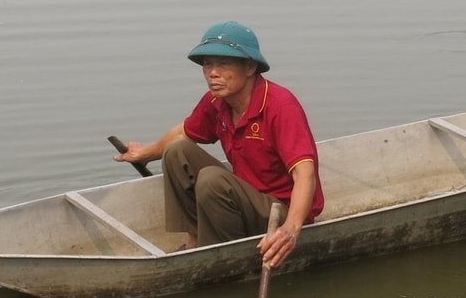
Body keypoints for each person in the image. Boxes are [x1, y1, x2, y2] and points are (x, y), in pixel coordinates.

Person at [115, 22, 323, 267]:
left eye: (224, 64)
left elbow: (305, 173)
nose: (213, 73)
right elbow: (183, 131)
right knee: (176, 150)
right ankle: (195, 242)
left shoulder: (280, 105)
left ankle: (220, 254)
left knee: (212, 179)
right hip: (245, 196)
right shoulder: (217, 102)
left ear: (250, 67)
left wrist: (290, 229)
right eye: (207, 64)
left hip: (279, 212)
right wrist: (145, 153)